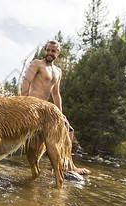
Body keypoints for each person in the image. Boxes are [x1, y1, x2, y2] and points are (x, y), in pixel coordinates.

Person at [21, 40, 91, 175]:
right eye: (47, 50)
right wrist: (24, 102)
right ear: (45, 51)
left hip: (48, 109)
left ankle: (70, 166)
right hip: (33, 106)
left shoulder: (58, 71)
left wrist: (60, 113)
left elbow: (56, 94)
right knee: (34, 146)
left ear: (57, 53)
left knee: (69, 129)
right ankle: (38, 169)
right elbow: (26, 82)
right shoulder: (37, 64)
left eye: (53, 51)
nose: (49, 53)